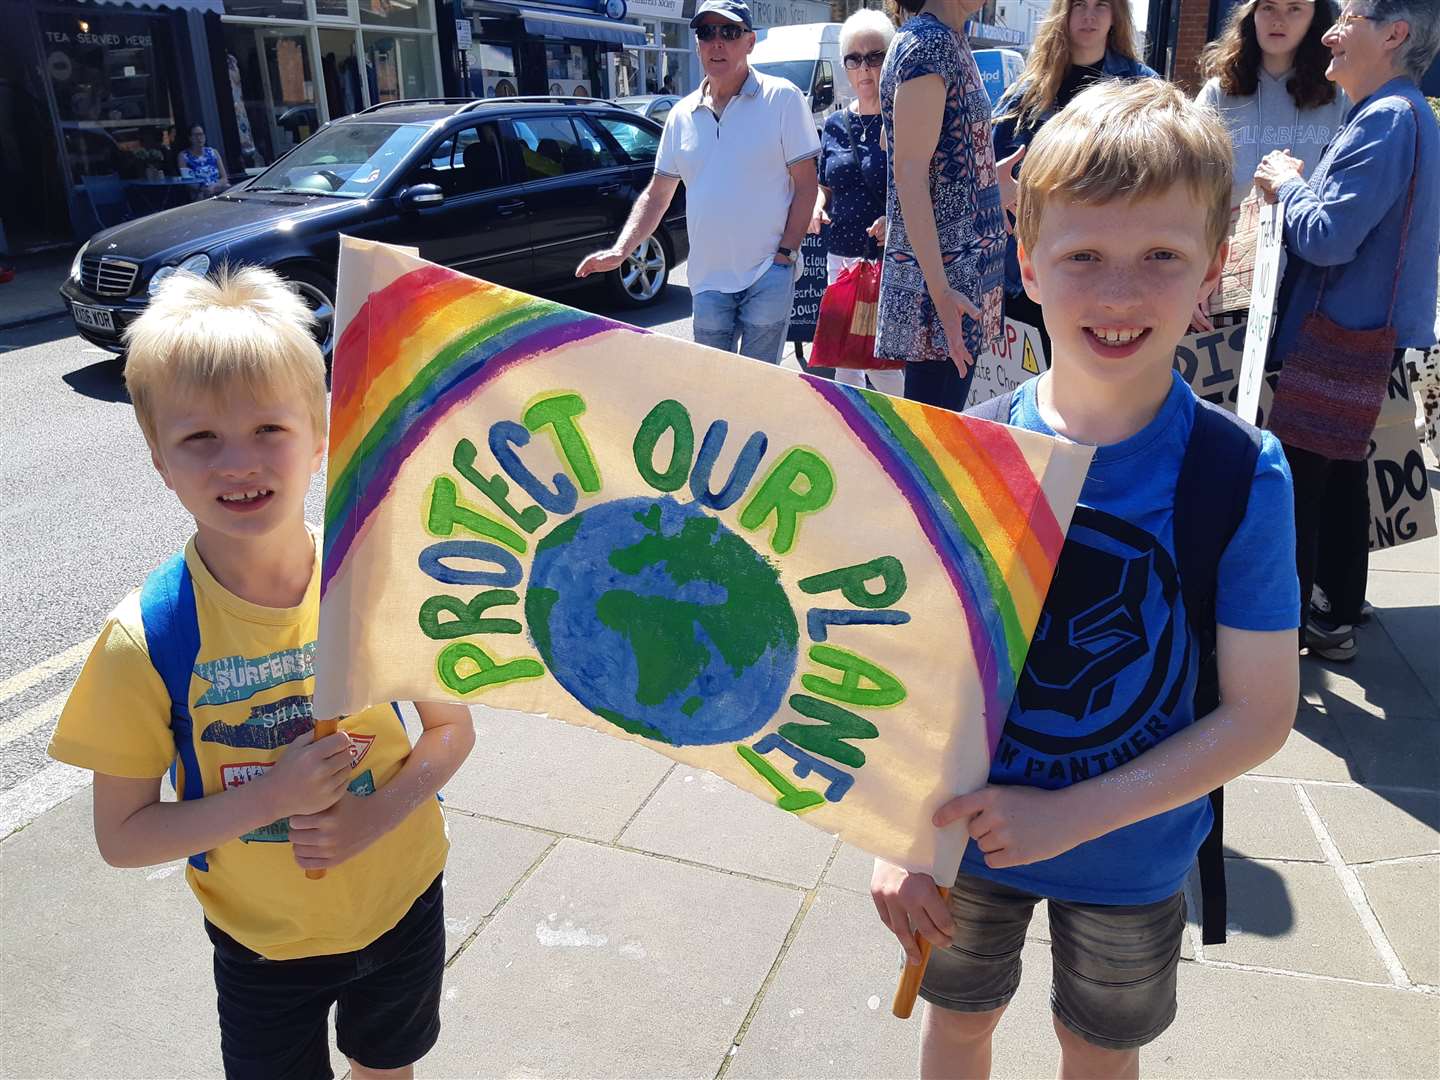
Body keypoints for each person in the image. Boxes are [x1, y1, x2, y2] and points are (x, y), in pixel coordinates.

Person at [871, 80, 1300, 1079]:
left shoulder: (1241, 476)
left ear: (1210, 274)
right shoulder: (968, 455)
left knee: (1098, 1050)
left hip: (1134, 853)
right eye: (1084, 257)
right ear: (1028, 263)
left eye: (1160, 257)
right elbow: (911, 666)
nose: (1118, 295)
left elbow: (1260, 715)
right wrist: (891, 836)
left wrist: (1070, 815)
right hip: (962, 839)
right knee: (959, 1023)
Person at [47, 268, 475, 1080]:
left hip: (402, 901)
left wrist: (372, 817)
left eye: (269, 428)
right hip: (261, 945)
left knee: (388, 1067)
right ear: (158, 459)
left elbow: (451, 729)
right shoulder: (146, 639)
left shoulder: (371, 577)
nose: (236, 462)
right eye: (200, 438)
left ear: (320, 437)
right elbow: (123, 836)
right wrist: (273, 798)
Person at [1254, 0, 1440, 662]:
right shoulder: (1406, 115)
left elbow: (1328, 239)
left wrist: (1286, 185)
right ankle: (1331, 612)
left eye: (1349, 19)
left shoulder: (1388, 119)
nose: (1329, 34)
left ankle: (1285, 631)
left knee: (1299, 487)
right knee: (1336, 478)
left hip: (1336, 339)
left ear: (1394, 35)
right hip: (1362, 336)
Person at [576, 0, 819, 364]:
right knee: (713, 391)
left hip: (768, 274)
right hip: (707, 284)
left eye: (729, 32)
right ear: (697, 43)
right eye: (706, 32)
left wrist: (785, 256)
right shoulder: (680, 114)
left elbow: (806, 186)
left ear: (750, 42)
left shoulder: (782, 99)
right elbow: (657, 196)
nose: (716, 42)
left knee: (759, 390)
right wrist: (622, 251)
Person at [991, 0, 1157, 361]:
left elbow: (1166, 178)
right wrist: (999, 190)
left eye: (1101, 5)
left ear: (1116, 16)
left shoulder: (1142, 89)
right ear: (1062, 14)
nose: (1089, 15)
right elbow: (986, 169)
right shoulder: (1029, 93)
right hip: (1031, 272)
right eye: (1079, 4)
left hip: (1109, 273)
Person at [877, 0, 1008, 410]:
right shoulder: (930, 45)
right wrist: (942, 292)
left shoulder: (948, 40)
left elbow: (896, 143)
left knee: (938, 436)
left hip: (956, 278)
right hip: (946, 288)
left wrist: (987, 180)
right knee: (932, 446)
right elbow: (909, 172)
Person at [1194, 0, 1347, 329]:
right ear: (1251, 15)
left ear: (1315, 20)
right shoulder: (1218, 94)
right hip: (1226, 276)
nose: (1279, 20)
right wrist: (1192, 273)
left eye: (1295, 8)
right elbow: (1189, 192)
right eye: (1268, 7)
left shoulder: (1339, 97)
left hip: (1309, 285)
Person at [808, 7, 904, 396]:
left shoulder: (904, 118)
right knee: (845, 359)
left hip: (886, 258)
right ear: (845, 66)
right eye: (855, 59)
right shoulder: (833, 124)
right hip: (841, 257)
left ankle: (895, 438)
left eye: (875, 56)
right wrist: (817, 203)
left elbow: (923, 188)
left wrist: (893, 219)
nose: (865, 68)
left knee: (881, 362)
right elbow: (825, 184)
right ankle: (851, 436)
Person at [178, 124, 228, 197]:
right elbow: (187, 181)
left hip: (218, 188)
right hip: (200, 192)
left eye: (201, 134)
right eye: (195, 135)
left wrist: (213, 187)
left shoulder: (213, 152)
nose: (199, 138)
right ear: (190, 138)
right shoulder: (183, 156)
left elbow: (224, 178)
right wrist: (203, 189)